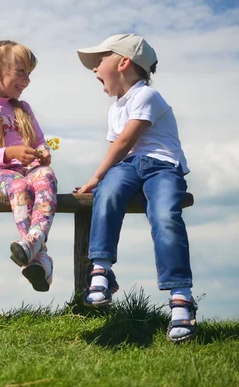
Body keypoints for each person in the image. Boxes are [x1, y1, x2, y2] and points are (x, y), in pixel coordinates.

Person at [75, 34, 196, 342]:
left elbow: (125, 141)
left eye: (100, 61)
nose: (94, 69)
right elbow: (121, 151)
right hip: (128, 167)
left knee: (165, 215)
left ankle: (181, 297)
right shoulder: (115, 108)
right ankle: (101, 269)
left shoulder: (146, 96)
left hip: (162, 166)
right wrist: (103, 182)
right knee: (109, 193)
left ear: (124, 62)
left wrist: (95, 177)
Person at [0, 40, 57, 292]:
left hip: (30, 170)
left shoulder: (24, 109)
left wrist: (43, 154)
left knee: (46, 175)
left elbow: (39, 141)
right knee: (19, 185)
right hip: (0, 175)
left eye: (29, 73)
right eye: (21, 71)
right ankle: (41, 257)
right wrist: (11, 153)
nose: (26, 80)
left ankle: (32, 243)